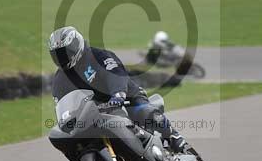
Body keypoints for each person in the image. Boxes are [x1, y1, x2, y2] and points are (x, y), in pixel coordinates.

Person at [49, 26, 187, 152]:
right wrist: (66, 122)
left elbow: (115, 74)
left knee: (144, 111)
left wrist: (118, 94)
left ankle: (175, 137)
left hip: (126, 97)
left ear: (76, 44)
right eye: (58, 54)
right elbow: (62, 104)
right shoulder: (60, 80)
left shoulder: (97, 56)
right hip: (95, 114)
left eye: (66, 52)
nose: (63, 57)